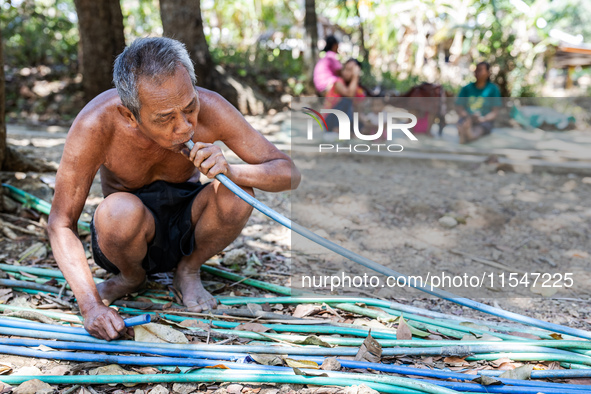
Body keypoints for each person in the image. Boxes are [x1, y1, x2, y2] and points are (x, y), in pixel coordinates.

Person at [47, 37, 301, 340]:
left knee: (238, 189)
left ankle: (188, 269)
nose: (184, 127)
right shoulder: (96, 124)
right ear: (130, 115)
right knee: (117, 211)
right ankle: (131, 277)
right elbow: (61, 223)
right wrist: (90, 306)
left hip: (188, 224)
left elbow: (289, 173)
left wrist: (232, 170)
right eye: (165, 118)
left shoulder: (210, 107)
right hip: (127, 235)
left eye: (189, 106)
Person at [455, 62, 502, 143]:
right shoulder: (466, 88)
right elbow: (459, 107)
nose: (477, 72)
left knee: (478, 130)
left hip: (484, 121)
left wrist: (483, 119)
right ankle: (466, 131)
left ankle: (467, 134)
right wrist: (468, 116)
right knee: (463, 123)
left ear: (488, 73)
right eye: (476, 70)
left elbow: (495, 112)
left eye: (480, 70)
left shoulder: (493, 89)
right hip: (467, 119)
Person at [324, 58, 365, 133]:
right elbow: (349, 95)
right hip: (330, 120)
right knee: (346, 101)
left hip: (347, 120)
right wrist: (355, 77)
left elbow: (358, 111)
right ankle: (337, 130)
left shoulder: (359, 90)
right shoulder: (338, 83)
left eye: (350, 70)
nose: (345, 72)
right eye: (345, 69)